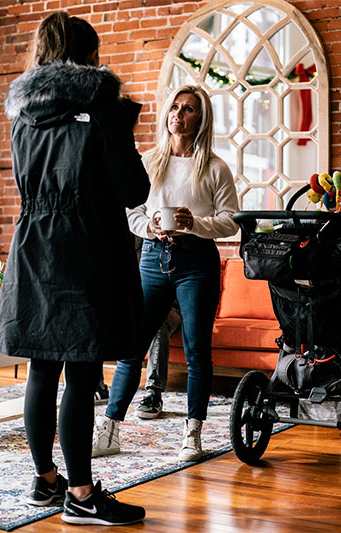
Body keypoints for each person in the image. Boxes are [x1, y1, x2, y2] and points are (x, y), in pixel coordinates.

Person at [0, 11, 149, 526]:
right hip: (85, 247)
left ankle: (45, 481)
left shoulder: (21, 116)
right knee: (82, 370)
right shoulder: (102, 108)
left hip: (33, 245)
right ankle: (82, 496)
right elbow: (134, 191)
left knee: (42, 367)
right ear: (89, 55)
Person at [93, 85, 239, 461]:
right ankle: (109, 430)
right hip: (153, 257)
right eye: (175, 107)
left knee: (196, 351)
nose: (179, 114)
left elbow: (230, 222)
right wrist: (151, 229)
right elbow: (131, 213)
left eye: (189, 109)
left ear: (200, 118)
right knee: (131, 346)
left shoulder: (215, 167)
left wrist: (196, 223)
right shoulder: (147, 162)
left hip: (196, 262)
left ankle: (193, 435)